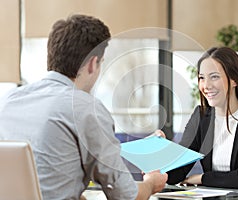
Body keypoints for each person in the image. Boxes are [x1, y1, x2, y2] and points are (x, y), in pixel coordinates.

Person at [0, 14, 167, 200]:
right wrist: (151, 183)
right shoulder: (85, 108)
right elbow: (126, 196)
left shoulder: (8, 101)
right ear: (93, 63)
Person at [166, 47, 238, 189]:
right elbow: (177, 171)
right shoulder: (201, 116)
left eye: (214, 77)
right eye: (202, 78)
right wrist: (155, 160)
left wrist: (202, 178)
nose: (206, 86)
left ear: (235, 80)